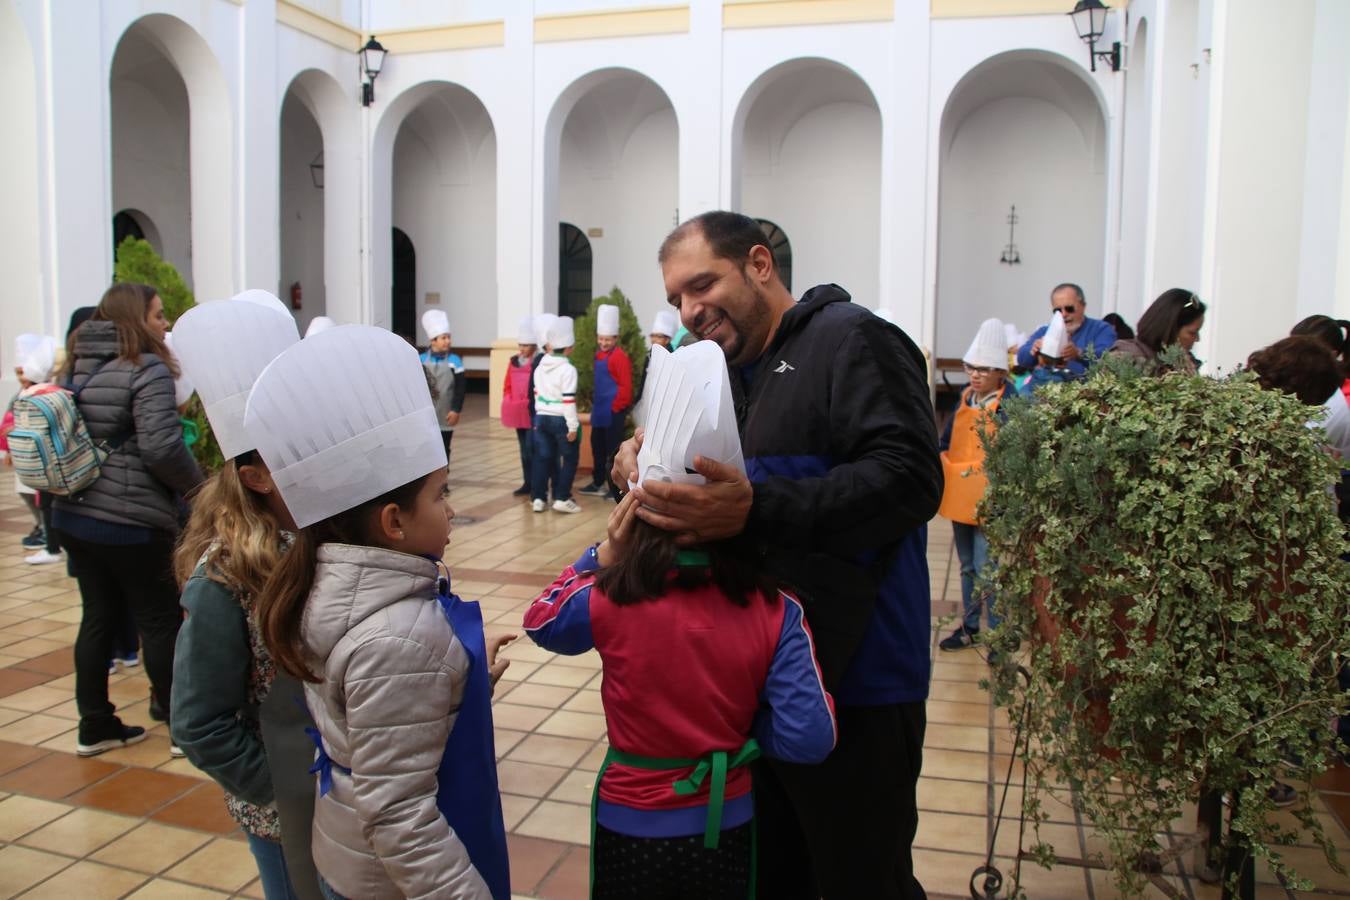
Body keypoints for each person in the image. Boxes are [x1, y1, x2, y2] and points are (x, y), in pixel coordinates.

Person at [614, 211, 941, 900]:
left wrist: (757, 508)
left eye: (702, 285)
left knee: (860, 879)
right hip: (760, 689)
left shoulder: (853, 340)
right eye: (676, 297)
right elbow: (720, 496)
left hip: (860, 685)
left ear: (760, 264)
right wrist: (645, 463)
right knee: (774, 875)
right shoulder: (726, 375)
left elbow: (911, 479)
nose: (689, 309)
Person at [245, 325, 514, 900]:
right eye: (441, 494)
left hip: (348, 854)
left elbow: (374, 717)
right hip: (386, 882)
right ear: (393, 523)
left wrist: (462, 680)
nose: (452, 509)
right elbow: (398, 815)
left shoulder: (332, 583)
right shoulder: (397, 636)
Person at [168, 296, 321, 900]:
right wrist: (285, 788)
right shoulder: (223, 579)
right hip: (286, 815)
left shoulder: (321, 536)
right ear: (257, 476)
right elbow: (199, 722)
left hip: (347, 805)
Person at [53, 282, 204, 757]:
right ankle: (182, 728)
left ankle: (94, 724)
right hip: (132, 517)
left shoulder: (78, 364)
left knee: (97, 616)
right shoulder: (147, 367)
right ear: (138, 319)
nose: (165, 323)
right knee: (159, 620)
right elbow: (160, 446)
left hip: (75, 513)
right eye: (158, 315)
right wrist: (199, 490)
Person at [937, 319, 1010, 654]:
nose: (976, 375)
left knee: (987, 568)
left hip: (990, 500)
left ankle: (996, 633)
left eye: (985, 369)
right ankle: (969, 627)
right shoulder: (965, 398)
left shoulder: (1008, 407)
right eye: (972, 368)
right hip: (960, 496)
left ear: (1000, 373)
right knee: (967, 566)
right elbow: (945, 439)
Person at [579, 304, 632, 501]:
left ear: (616, 339)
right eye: (601, 339)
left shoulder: (620, 357)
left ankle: (614, 487)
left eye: (608, 339)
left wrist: (616, 407)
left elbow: (625, 387)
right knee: (597, 448)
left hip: (612, 412)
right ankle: (597, 482)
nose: (604, 343)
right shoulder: (598, 356)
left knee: (612, 451)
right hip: (599, 412)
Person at [532, 316, 582, 514]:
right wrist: (572, 426)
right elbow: (568, 401)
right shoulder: (568, 369)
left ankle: (538, 498)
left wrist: (538, 415)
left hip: (541, 417)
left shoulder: (539, 367)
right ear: (570, 348)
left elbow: (536, 394)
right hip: (561, 418)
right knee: (570, 458)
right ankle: (561, 497)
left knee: (543, 458)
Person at [1015, 283, 1118, 378]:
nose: (1064, 314)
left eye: (1069, 309)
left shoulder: (1101, 329)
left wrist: (1079, 354)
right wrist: (1033, 350)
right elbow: (1021, 359)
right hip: (1045, 389)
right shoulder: (1046, 330)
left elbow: (1108, 361)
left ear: (1083, 306)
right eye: (1058, 311)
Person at [1108, 289, 1206, 373]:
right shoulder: (1126, 359)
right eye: (1192, 332)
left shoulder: (1184, 363)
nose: (1197, 339)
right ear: (1170, 330)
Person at [419, 309, 466, 462]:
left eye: (449, 337)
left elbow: (460, 388)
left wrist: (456, 410)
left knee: (445, 448)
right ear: (433, 340)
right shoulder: (420, 360)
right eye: (443, 338)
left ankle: (443, 482)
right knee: (427, 449)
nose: (448, 341)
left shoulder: (455, 361)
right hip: (426, 415)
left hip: (446, 414)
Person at [501, 315, 537, 497]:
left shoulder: (537, 362)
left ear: (534, 346)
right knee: (523, 449)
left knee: (532, 448)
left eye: (526, 345)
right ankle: (527, 483)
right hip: (517, 412)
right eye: (520, 345)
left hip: (531, 412)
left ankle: (536, 484)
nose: (522, 349)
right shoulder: (513, 361)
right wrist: (508, 399)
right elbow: (507, 383)